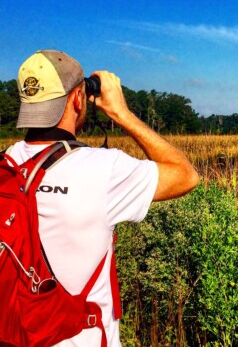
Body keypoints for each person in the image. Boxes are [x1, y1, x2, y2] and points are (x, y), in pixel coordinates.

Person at [10, 49, 199, 347]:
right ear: (77, 98)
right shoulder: (103, 169)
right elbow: (186, 176)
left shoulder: (5, 166)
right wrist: (120, 113)